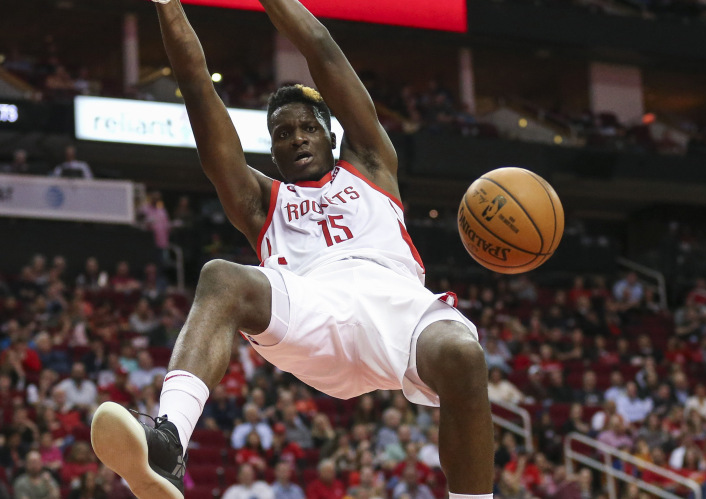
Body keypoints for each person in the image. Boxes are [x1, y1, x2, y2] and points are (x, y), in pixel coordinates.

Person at [90, 2, 491, 499]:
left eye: (308, 127)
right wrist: (167, 4)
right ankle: (168, 442)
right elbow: (196, 86)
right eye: (282, 133)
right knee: (222, 276)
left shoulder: (371, 164)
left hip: (397, 306)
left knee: (462, 355)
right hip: (312, 307)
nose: (297, 138)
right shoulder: (261, 202)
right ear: (272, 151)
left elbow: (321, 46)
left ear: (331, 135)